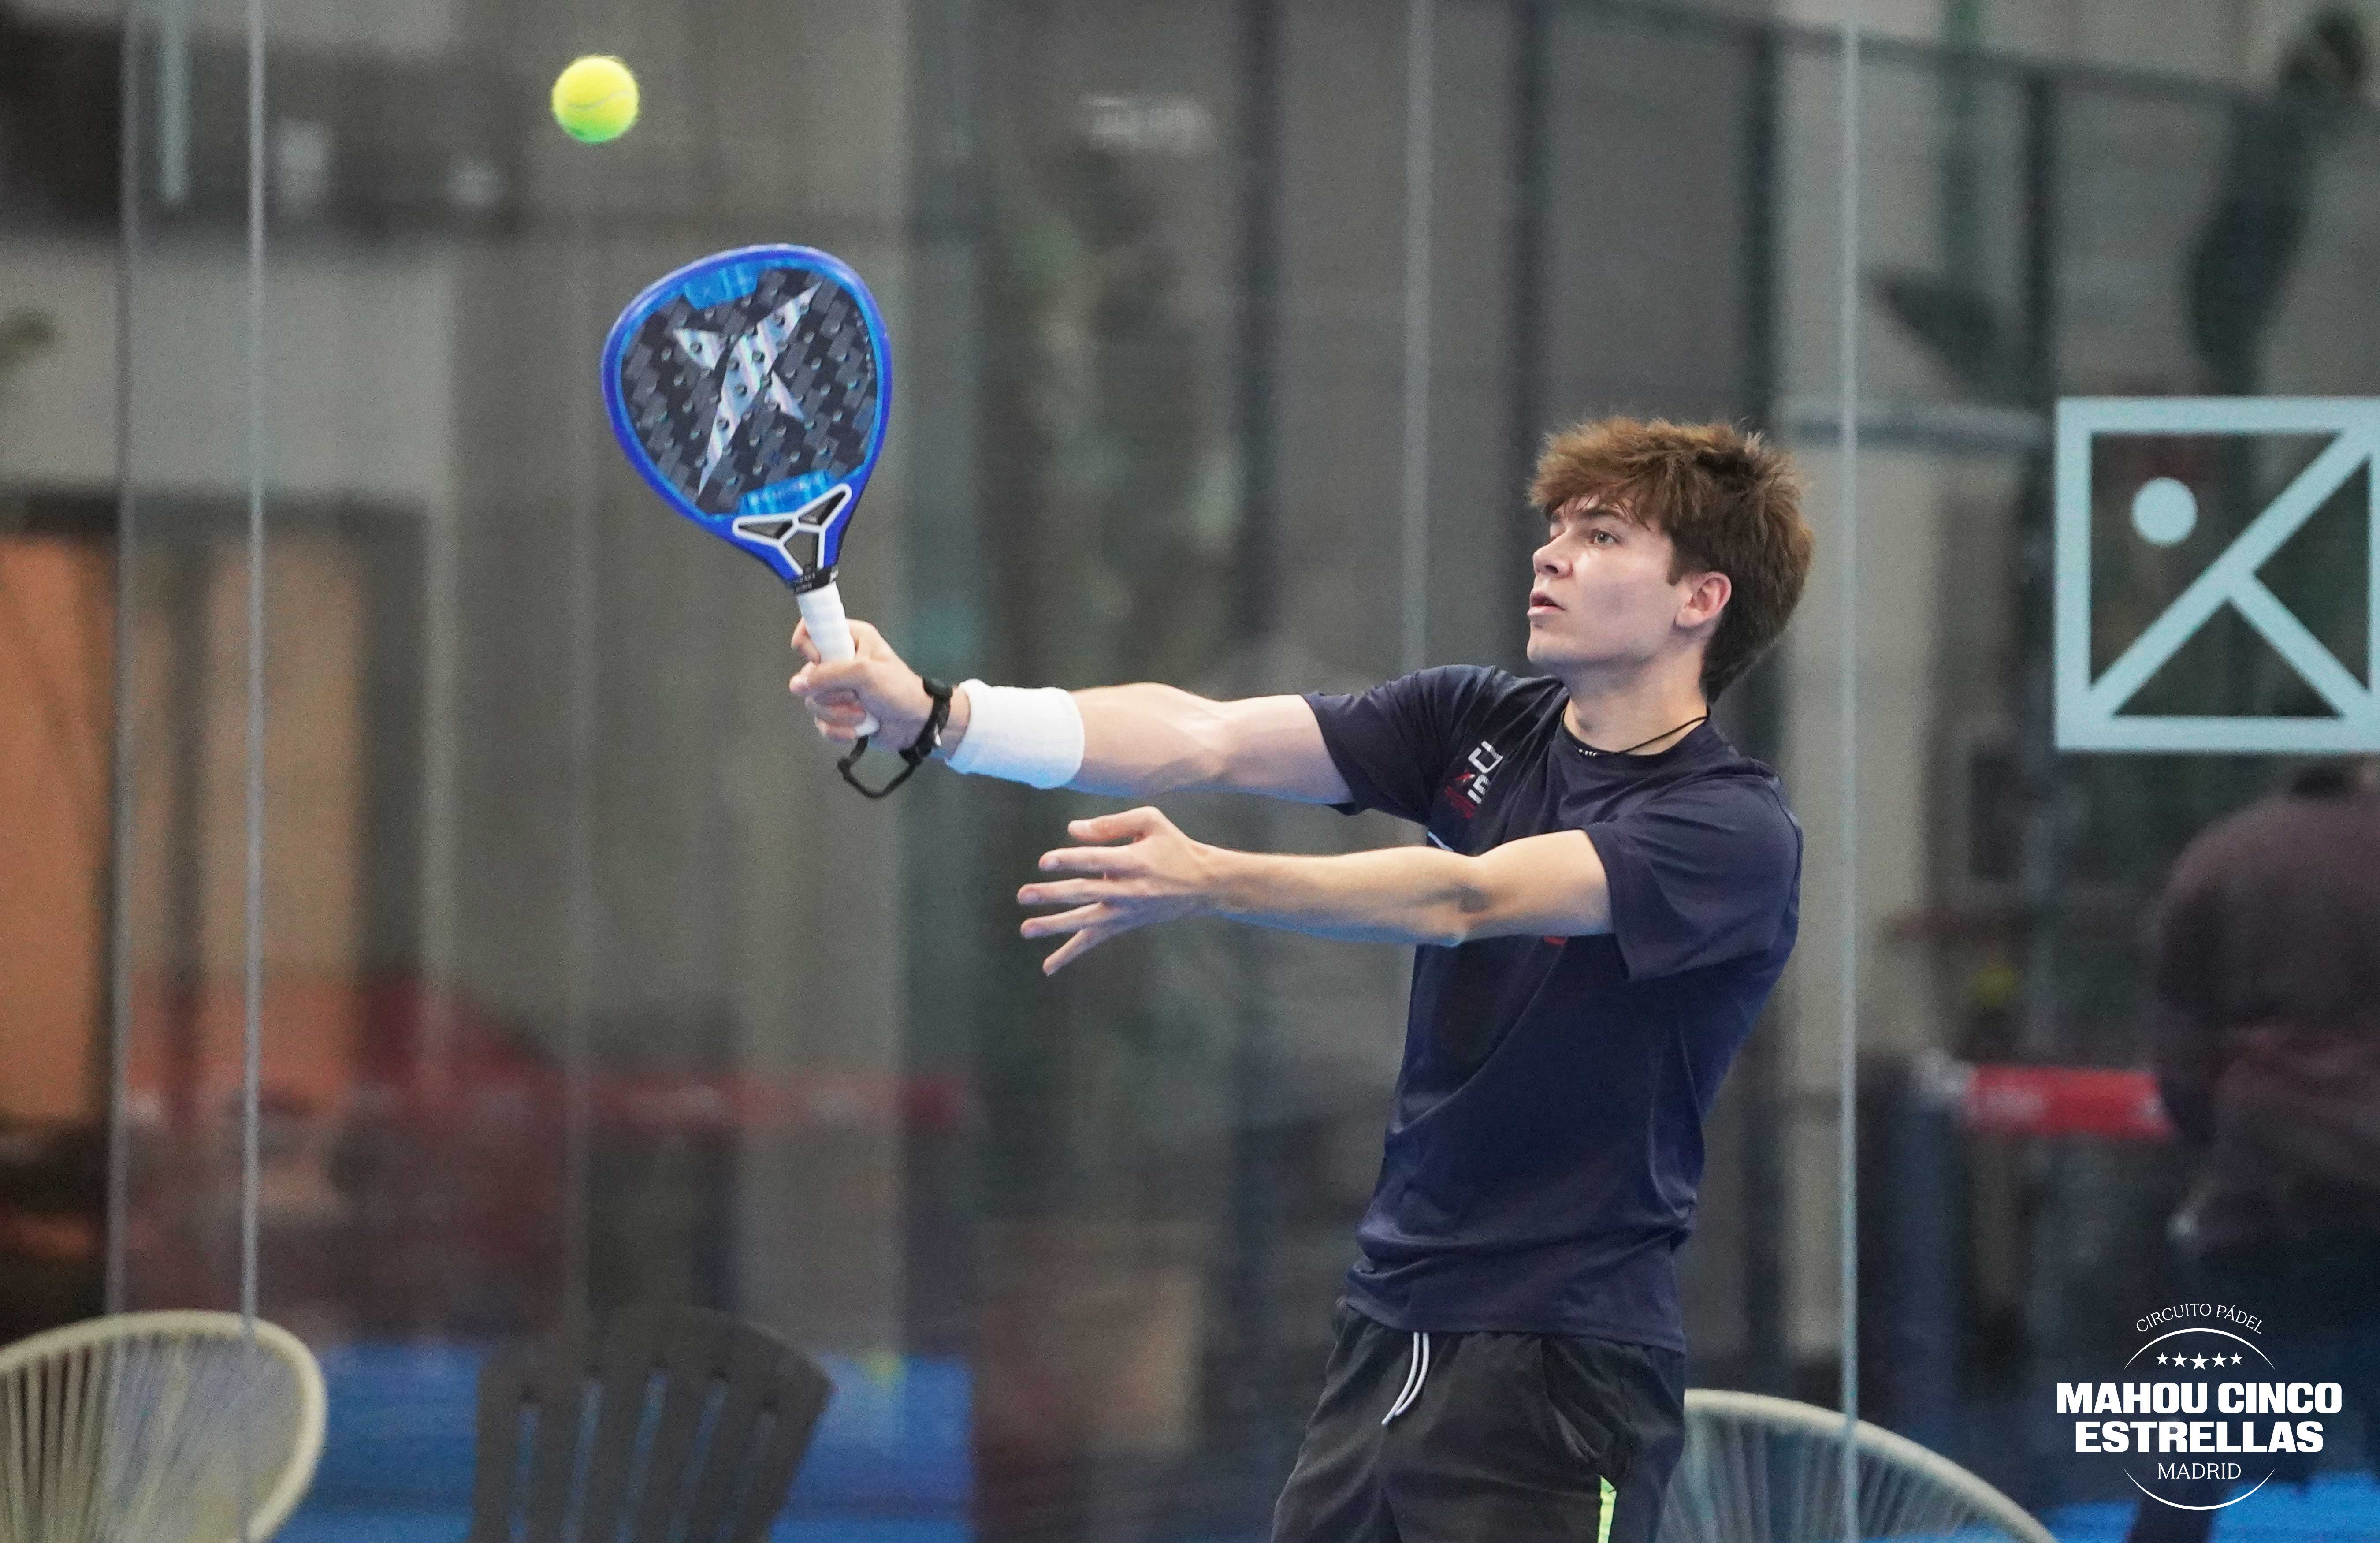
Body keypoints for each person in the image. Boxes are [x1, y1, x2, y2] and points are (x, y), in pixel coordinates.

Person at [790, 417, 1815, 1543]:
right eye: (1558, 527)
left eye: (1603, 535)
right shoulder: (1475, 721)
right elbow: (1207, 735)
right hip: (1389, 1330)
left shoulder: (1729, 830)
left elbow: (1468, 898)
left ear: (1700, 599)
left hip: (1564, 1360)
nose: (1552, 554)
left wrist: (1211, 877)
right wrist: (943, 714)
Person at [2126, 758, 2380, 1543]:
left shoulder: (2226, 855)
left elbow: (2182, 1058)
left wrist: (2233, 1139)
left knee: (2188, 1461)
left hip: (2263, 1196)